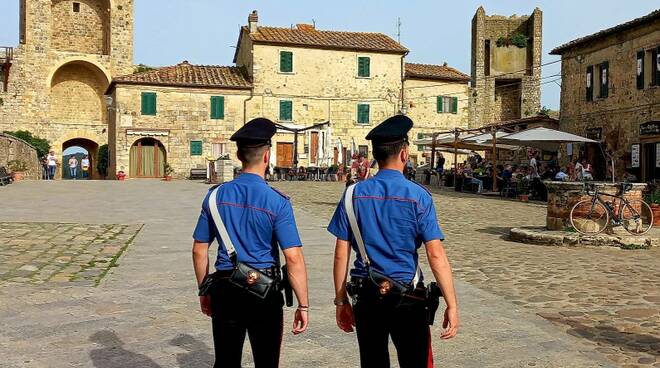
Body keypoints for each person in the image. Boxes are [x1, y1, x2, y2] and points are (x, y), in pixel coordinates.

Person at [328, 115, 459, 368]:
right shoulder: (419, 196)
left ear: (375, 156)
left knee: (373, 361)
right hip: (408, 295)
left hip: (366, 293)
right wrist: (452, 305)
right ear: (404, 153)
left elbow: (340, 255)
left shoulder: (352, 194)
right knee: (415, 360)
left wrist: (341, 300)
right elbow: (435, 255)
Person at [192, 118, 309, 368]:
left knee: (225, 361)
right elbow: (293, 257)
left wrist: (204, 290)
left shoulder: (215, 197)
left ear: (238, 155)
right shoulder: (277, 201)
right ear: (267, 156)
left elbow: (199, 250)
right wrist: (303, 304)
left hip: (224, 287)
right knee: (266, 362)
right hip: (264, 290)